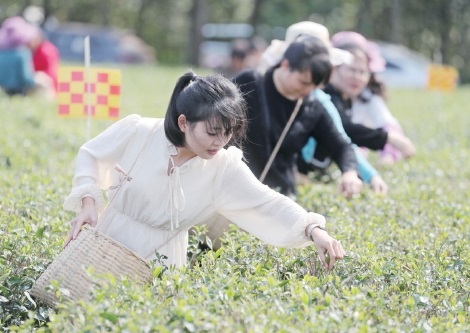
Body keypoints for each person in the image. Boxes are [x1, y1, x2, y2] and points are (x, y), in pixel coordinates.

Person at [64, 71, 345, 271]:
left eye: (228, 132)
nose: (220, 142)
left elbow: (268, 202)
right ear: (184, 122)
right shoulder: (141, 131)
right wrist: (88, 203)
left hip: (160, 264)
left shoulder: (223, 167)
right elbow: (91, 154)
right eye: (212, 132)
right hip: (106, 244)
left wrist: (313, 229)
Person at [232, 34, 363, 198]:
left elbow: (341, 146)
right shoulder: (249, 83)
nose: (308, 90)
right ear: (286, 65)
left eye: (315, 86)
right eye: (303, 82)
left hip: (278, 196)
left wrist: (350, 173)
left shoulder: (312, 106)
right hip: (233, 188)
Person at [322, 33, 416, 160]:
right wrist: (387, 138)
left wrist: (389, 153)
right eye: (352, 70)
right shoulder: (325, 96)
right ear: (334, 68)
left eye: (362, 72)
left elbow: (386, 122)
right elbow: (345, 128)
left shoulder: (363, 96)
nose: (357, 77)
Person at [0, 16, 58, 99]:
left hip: (4, 89)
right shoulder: (22, 54)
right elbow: (26, 79)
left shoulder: (2, 53)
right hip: (20, 90)